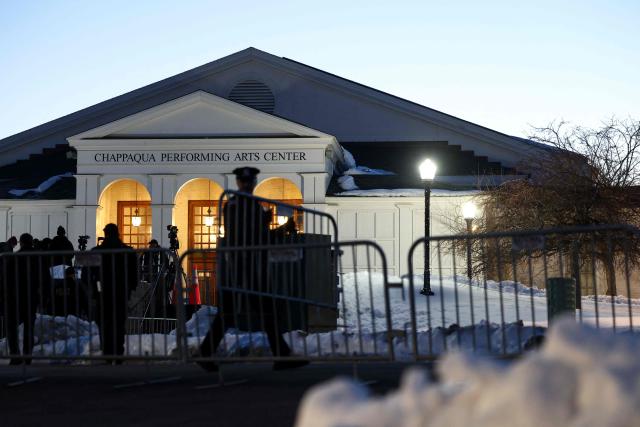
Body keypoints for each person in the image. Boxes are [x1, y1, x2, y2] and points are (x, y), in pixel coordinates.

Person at [197, 167, 305, 372]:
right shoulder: (239, 206)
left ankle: (206, 352)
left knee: (243, 312)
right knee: (254, 311)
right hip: (244, 266)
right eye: (244, 181)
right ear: (239, 183)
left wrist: (272, 228)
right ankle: (281, 356)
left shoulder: (245, 205)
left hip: (246, 266)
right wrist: (272, 227)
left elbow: (256, 236)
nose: (247, 184)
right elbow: (250, 237)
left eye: (250, 181)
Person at [90, 223, 138, 364]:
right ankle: (118, 352)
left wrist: (92, 288)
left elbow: (88, 273)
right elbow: (134, 274)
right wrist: (129, 288)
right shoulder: (127, 251)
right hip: (121, 292)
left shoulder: (96, 251)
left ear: (105, 234)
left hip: (102, 293)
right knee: (118, 323)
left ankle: (108, 353)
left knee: (104, 323)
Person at [3, 233, 42, 365]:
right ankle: (28, 355)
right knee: (29, 327)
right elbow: (45, 278)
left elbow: (6, 278)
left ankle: (15, 355)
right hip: (31, 297)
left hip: (15, 297)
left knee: (12, 327)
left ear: (21, 243)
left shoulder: (14, 258)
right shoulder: (38, 258)